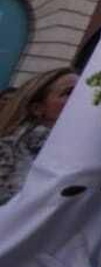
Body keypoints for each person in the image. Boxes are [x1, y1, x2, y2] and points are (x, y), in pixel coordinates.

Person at [0, 68, 76, 205]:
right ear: (38, 109)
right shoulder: (8, 150)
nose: (81, 97)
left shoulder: (83, 151)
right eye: (69, 92)